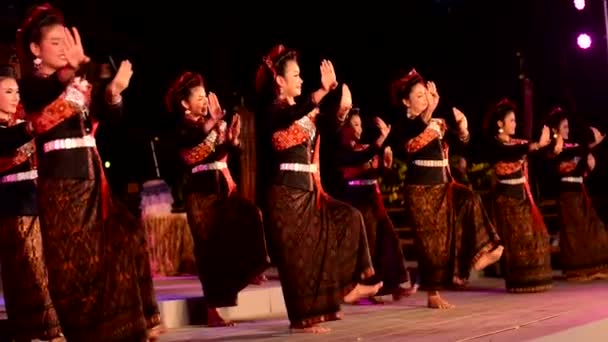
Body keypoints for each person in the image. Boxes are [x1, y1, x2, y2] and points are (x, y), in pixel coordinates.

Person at [16, 4, 162, 340]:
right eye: (55, 42)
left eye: (64, 41)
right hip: (63, 185)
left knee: (122, 240)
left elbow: (111, 114)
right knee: (76, 269)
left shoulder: (75, 83)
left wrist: (113, 93)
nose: (62, 48)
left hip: (94, 180)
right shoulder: (32, 86)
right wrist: (81, 68)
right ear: (36, 49)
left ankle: (130, 324)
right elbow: (53, 91)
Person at [255, 44, 381, 333]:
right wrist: (322, 93)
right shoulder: (272, 112)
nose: (301, 80)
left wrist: (342, 109)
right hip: (285, 194)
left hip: (311, 191)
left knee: (348, 218)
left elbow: (330, 129)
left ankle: (350, 284)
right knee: (298, 262)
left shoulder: (306, 112)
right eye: (296, 75)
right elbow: (287, 117)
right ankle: (302, 319)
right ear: (280, 81)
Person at [390, 69, 503, 308]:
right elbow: (410, 144)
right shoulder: (403, 124)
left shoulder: (438, 123)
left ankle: (484, 251)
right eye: (419, 96)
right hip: (420, 190)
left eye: (426, 95)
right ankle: (433, 294)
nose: (425, 99)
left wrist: (463, 129)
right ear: (405, 101)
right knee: (432, 243)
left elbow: (461, 143)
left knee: (469, 198)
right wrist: (430, 109)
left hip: (444, 186)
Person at [165, 71, 269, 327]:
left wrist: (233, 141)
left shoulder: (211, 124)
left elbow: (223, 153)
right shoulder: (183, 127)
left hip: (223, 190)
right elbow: (190, 141)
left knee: (251, 213)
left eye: (205, 96)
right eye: (198, 97)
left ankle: (252, 267)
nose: (204, 101)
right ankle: (213, 312)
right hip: (200, 196)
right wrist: (212, 123)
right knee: (209, 254)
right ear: (184, 103)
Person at [0, 64, 64, 341]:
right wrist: (31, 127)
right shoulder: (12, 129)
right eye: (7, 91)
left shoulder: (23, 123)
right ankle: (38, 328)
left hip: (39, 200)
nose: (15, 96)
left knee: (46, 266)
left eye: (17, 91)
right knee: (25, 267)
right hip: (12, 204)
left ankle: (50, 326)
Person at [337, 110, 414, 302]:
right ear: (345, 128)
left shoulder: (365, 148)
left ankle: (394, 285)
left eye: (360, 124)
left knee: (390, 239)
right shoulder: (344, 151)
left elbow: (379, 172)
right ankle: (369, 287)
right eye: (354, 124)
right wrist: (381, 139)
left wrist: (386, 166)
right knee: (369, 244)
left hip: (374, 199)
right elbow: (360, 160)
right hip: (358, 200)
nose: (359, 128)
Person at [484, 99, 553, 293]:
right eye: (511, 120)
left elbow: (534, 150)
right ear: (500, 124)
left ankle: (536, 279)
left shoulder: (519, 144)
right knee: (517, 239)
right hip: (507, 199)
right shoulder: (496, 146)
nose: (515, 124)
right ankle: (519, 281)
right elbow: (511, 153)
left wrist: (550, 146)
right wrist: (536, 145)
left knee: (536, 235)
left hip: (523, 197)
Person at [545, 108, 608, 281]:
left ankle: (595, 266)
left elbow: (582, 155)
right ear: (556, 130)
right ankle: (576, 270)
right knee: (574, 234)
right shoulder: (555, 148)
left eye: (567, 126)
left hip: (579, 191)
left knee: (595, 228)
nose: (567, 129)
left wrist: (593, 147)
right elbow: (563, 164)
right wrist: (587, 152)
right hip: (567, 194)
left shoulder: (574, 145)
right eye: (564, 127)